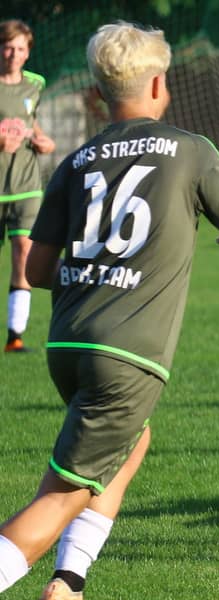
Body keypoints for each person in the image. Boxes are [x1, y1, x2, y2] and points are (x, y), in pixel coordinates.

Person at [0, 21, 219, 600]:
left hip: (68, 345)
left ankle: (68, 585)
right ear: (157, 86)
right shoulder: (191, 150)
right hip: (127, 355)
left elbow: (38, 270)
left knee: (130, 442)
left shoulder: (76, 162)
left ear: (96, 94)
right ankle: (54, 584)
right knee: (58, 496)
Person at [1, 19, 55, 353]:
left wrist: (42, 140)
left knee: (24, 251)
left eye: (20, 49)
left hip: (26, 184)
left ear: (28, 52)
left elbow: (31, 123)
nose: (14, 55)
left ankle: (15, 337)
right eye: (8, 47)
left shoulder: (36, 84)